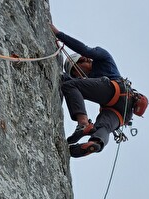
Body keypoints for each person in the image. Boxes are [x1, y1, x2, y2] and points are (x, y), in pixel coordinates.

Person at [51, 24, 134, 158]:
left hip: (116, 89)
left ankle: (83, 123)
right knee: (103, 127)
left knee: (70, 86)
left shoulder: (102, 57)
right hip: (121, 112)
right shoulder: (90, 79)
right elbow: (79, 89)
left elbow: (84, 49)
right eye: (74, 75)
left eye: (76, 70)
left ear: (83, 60)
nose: (78, 75)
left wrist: (58, 34)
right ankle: (96, 143)